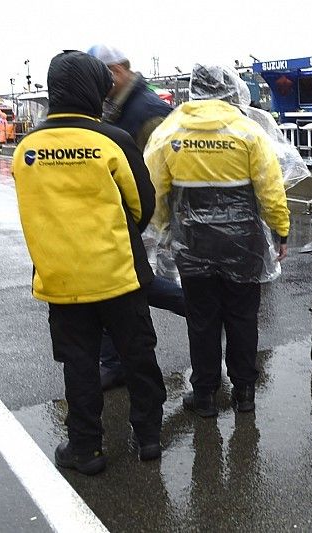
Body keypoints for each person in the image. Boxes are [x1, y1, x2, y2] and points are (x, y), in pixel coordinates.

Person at [12, 50, 166, 474]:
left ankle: (85, 448)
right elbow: (142, 205)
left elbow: (33, 212)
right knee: (138, 355)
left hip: (61, 279)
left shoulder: (26, 148)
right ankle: (149, 436)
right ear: (95, 88)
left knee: (79, 364)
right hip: (118, 274)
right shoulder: (112, 140)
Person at [144, 64, 290, 416]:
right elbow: (270, 190)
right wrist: (280, 230)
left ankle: (206, 394)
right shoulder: (248, 131)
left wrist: (163, 232)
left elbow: (156, 190)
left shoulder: (170, 131)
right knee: (242, 317)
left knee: (202, 318)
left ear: (195, 90)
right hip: (244, 240)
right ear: (231, 90)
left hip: (192, 241)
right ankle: (244, 393)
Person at [86, 44, 185, 391]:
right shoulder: (117, 106)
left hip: (141, 217)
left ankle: (202, 309)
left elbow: (164, 169)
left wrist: (154, 222)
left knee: (128, 285)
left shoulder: (147, 110)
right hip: (123, 215)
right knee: (122, 286)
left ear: (117, 71)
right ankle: (114, 361)